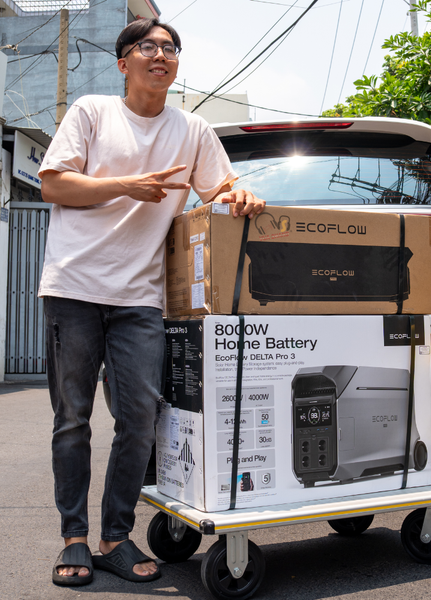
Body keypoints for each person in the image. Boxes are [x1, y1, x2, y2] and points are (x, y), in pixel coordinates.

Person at [39, 18, 265, 587]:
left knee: (140, 419)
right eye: (148, 46)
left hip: (142, 297)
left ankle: (115, 537)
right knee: (73, 420)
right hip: (73, 287)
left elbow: (219, 190)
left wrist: (239, 192)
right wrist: (127, 185)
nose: (161, 54)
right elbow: (54, 184)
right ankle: (73, 536)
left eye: (170, 48)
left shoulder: (192, 130)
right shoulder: (92, 112)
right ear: (124, 62)